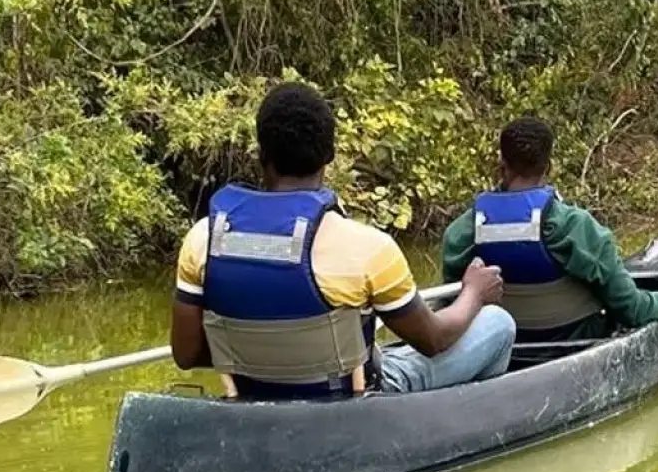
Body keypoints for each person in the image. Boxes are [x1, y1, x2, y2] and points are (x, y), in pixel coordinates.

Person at [170, 82, 516, 398]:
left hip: (250, 391)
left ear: (261, 153)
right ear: (329, 156)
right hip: (354, 400)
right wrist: (474, 292)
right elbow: (434, 339)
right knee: (498, 322)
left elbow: (186, 354)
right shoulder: (368, 248)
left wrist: (269, 358)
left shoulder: (203, 240)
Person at [441, 117, 658, 343]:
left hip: (502, 347)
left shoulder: (461, 233)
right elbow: (631, 309)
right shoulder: (577, 228)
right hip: (574, 341)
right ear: (549, 167)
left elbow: (452, 311)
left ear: (501, 165)